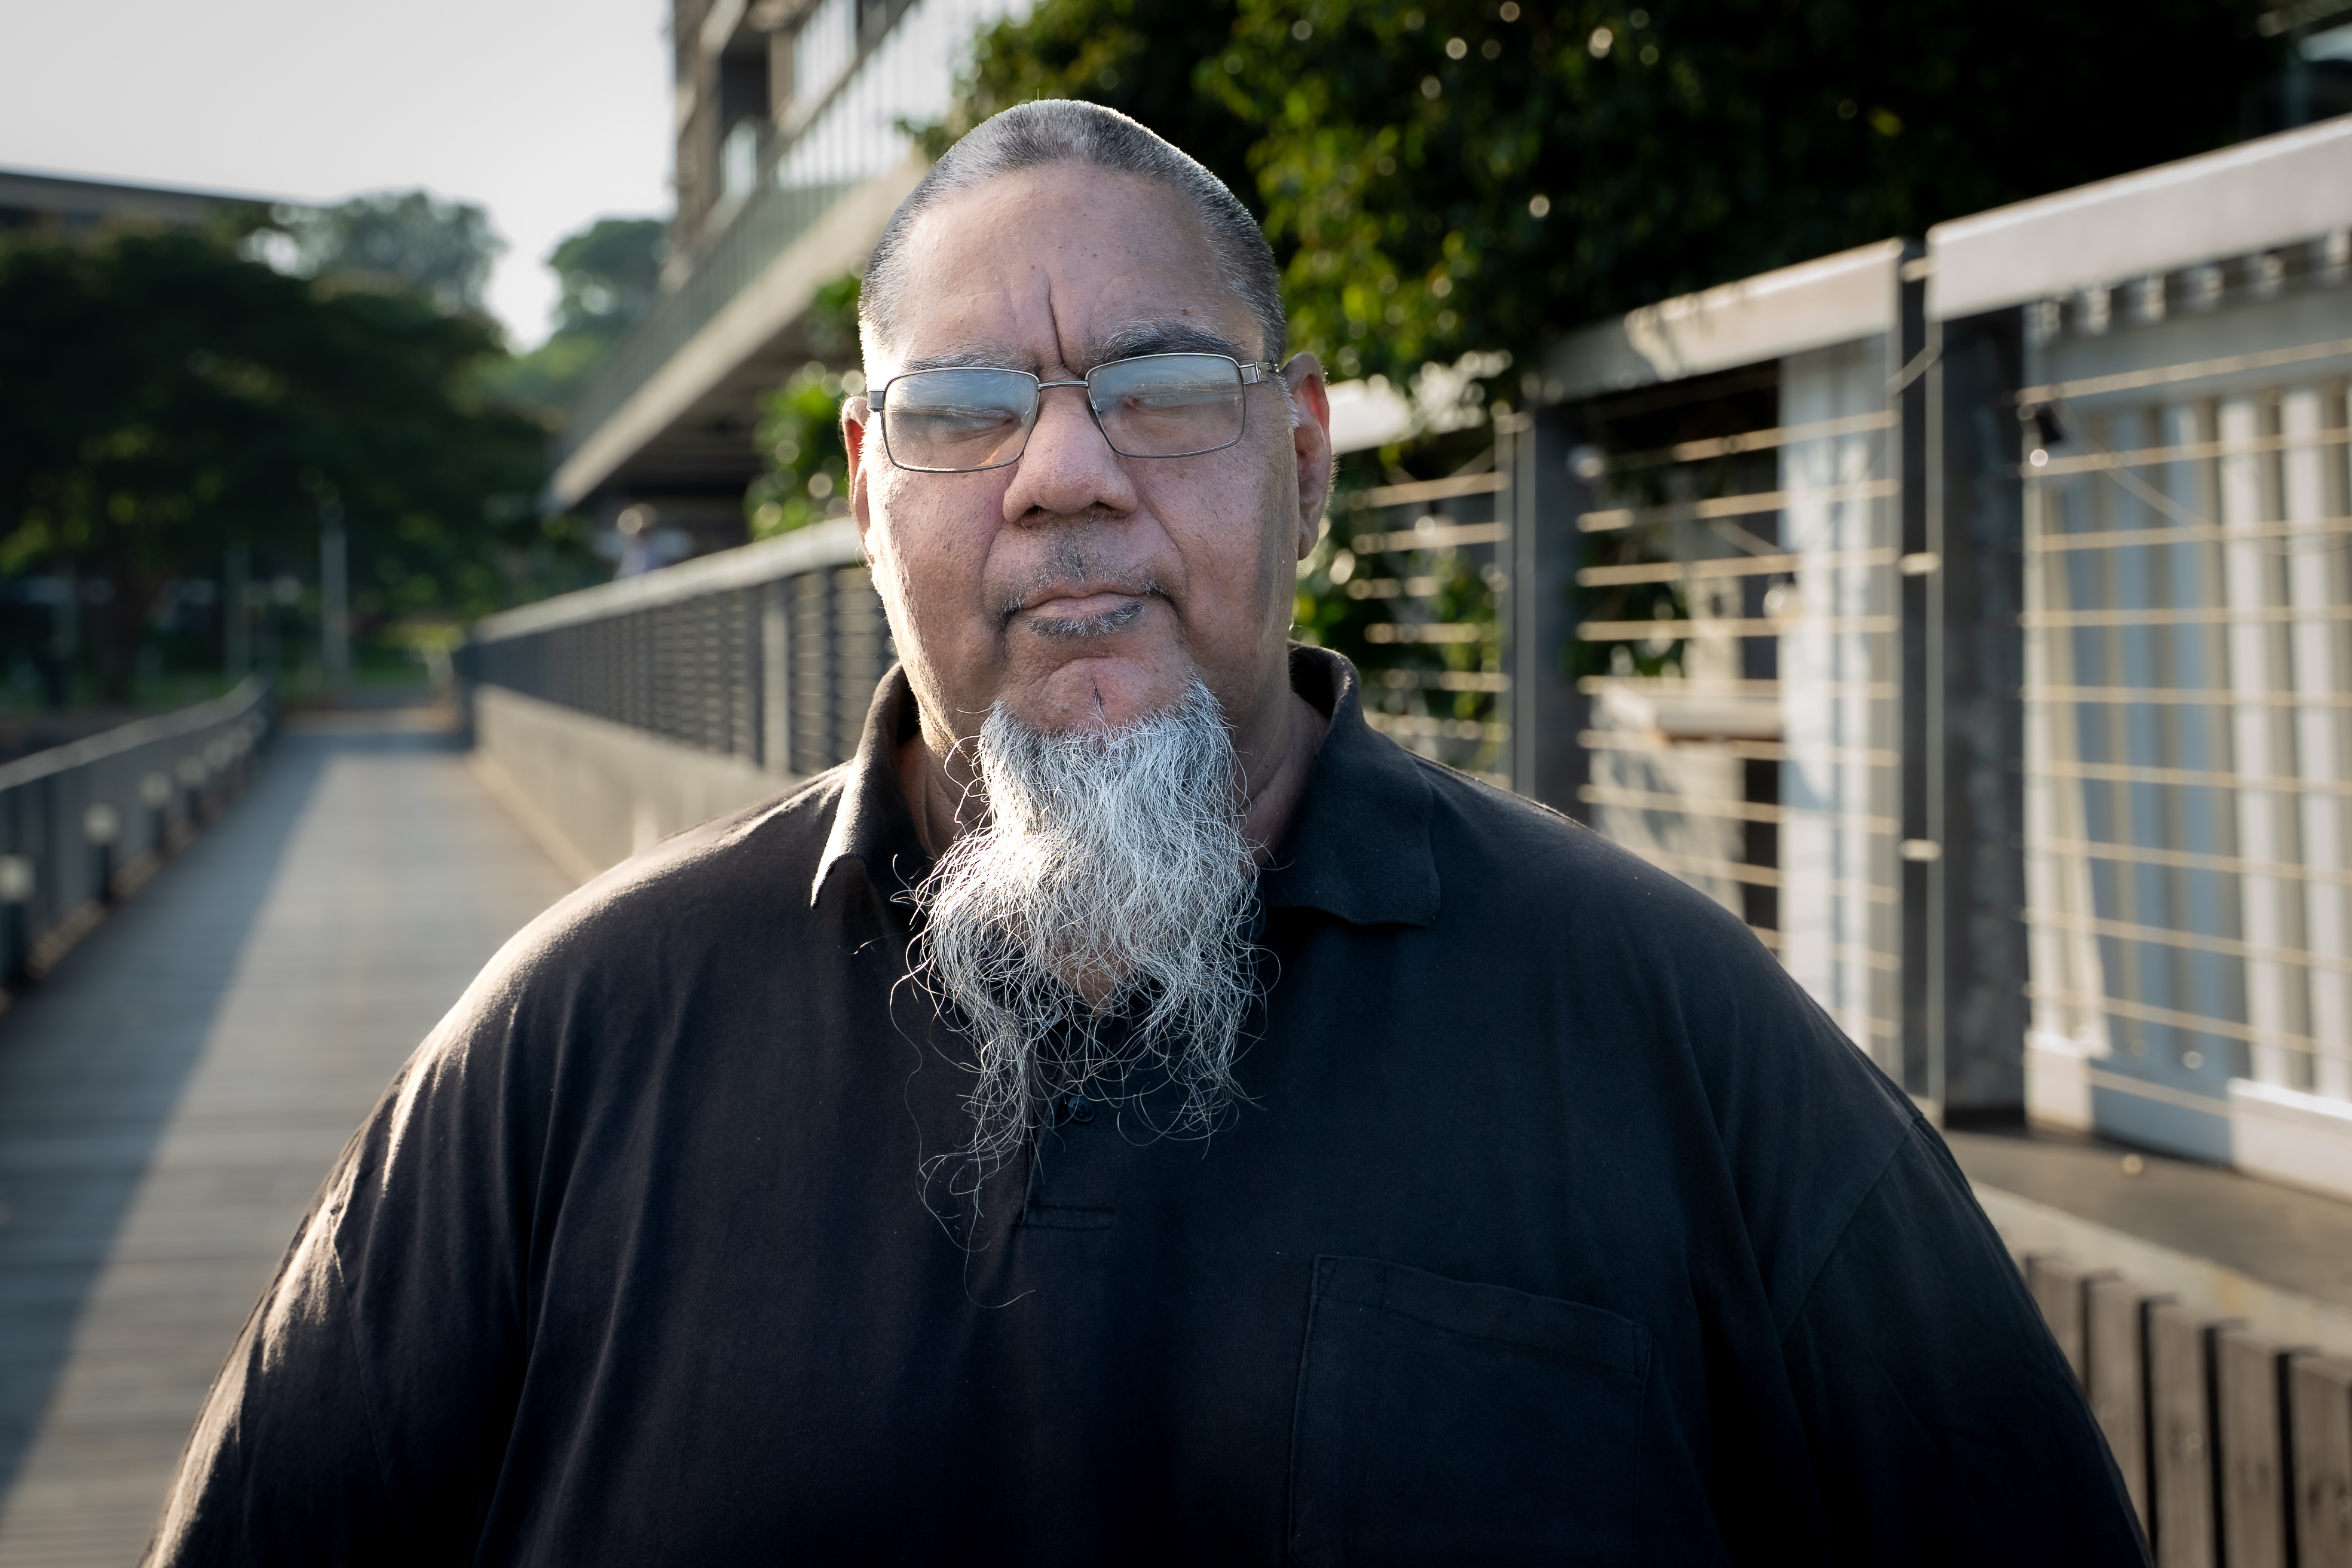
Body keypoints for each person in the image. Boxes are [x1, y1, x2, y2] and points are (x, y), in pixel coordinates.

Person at [151, 100, 2145, 1564]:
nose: (1065, 478)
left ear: (1301, 457)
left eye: (1161, 388)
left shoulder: (1670, 1028)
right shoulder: (573, 1041)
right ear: (868, 484)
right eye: (964, 410)